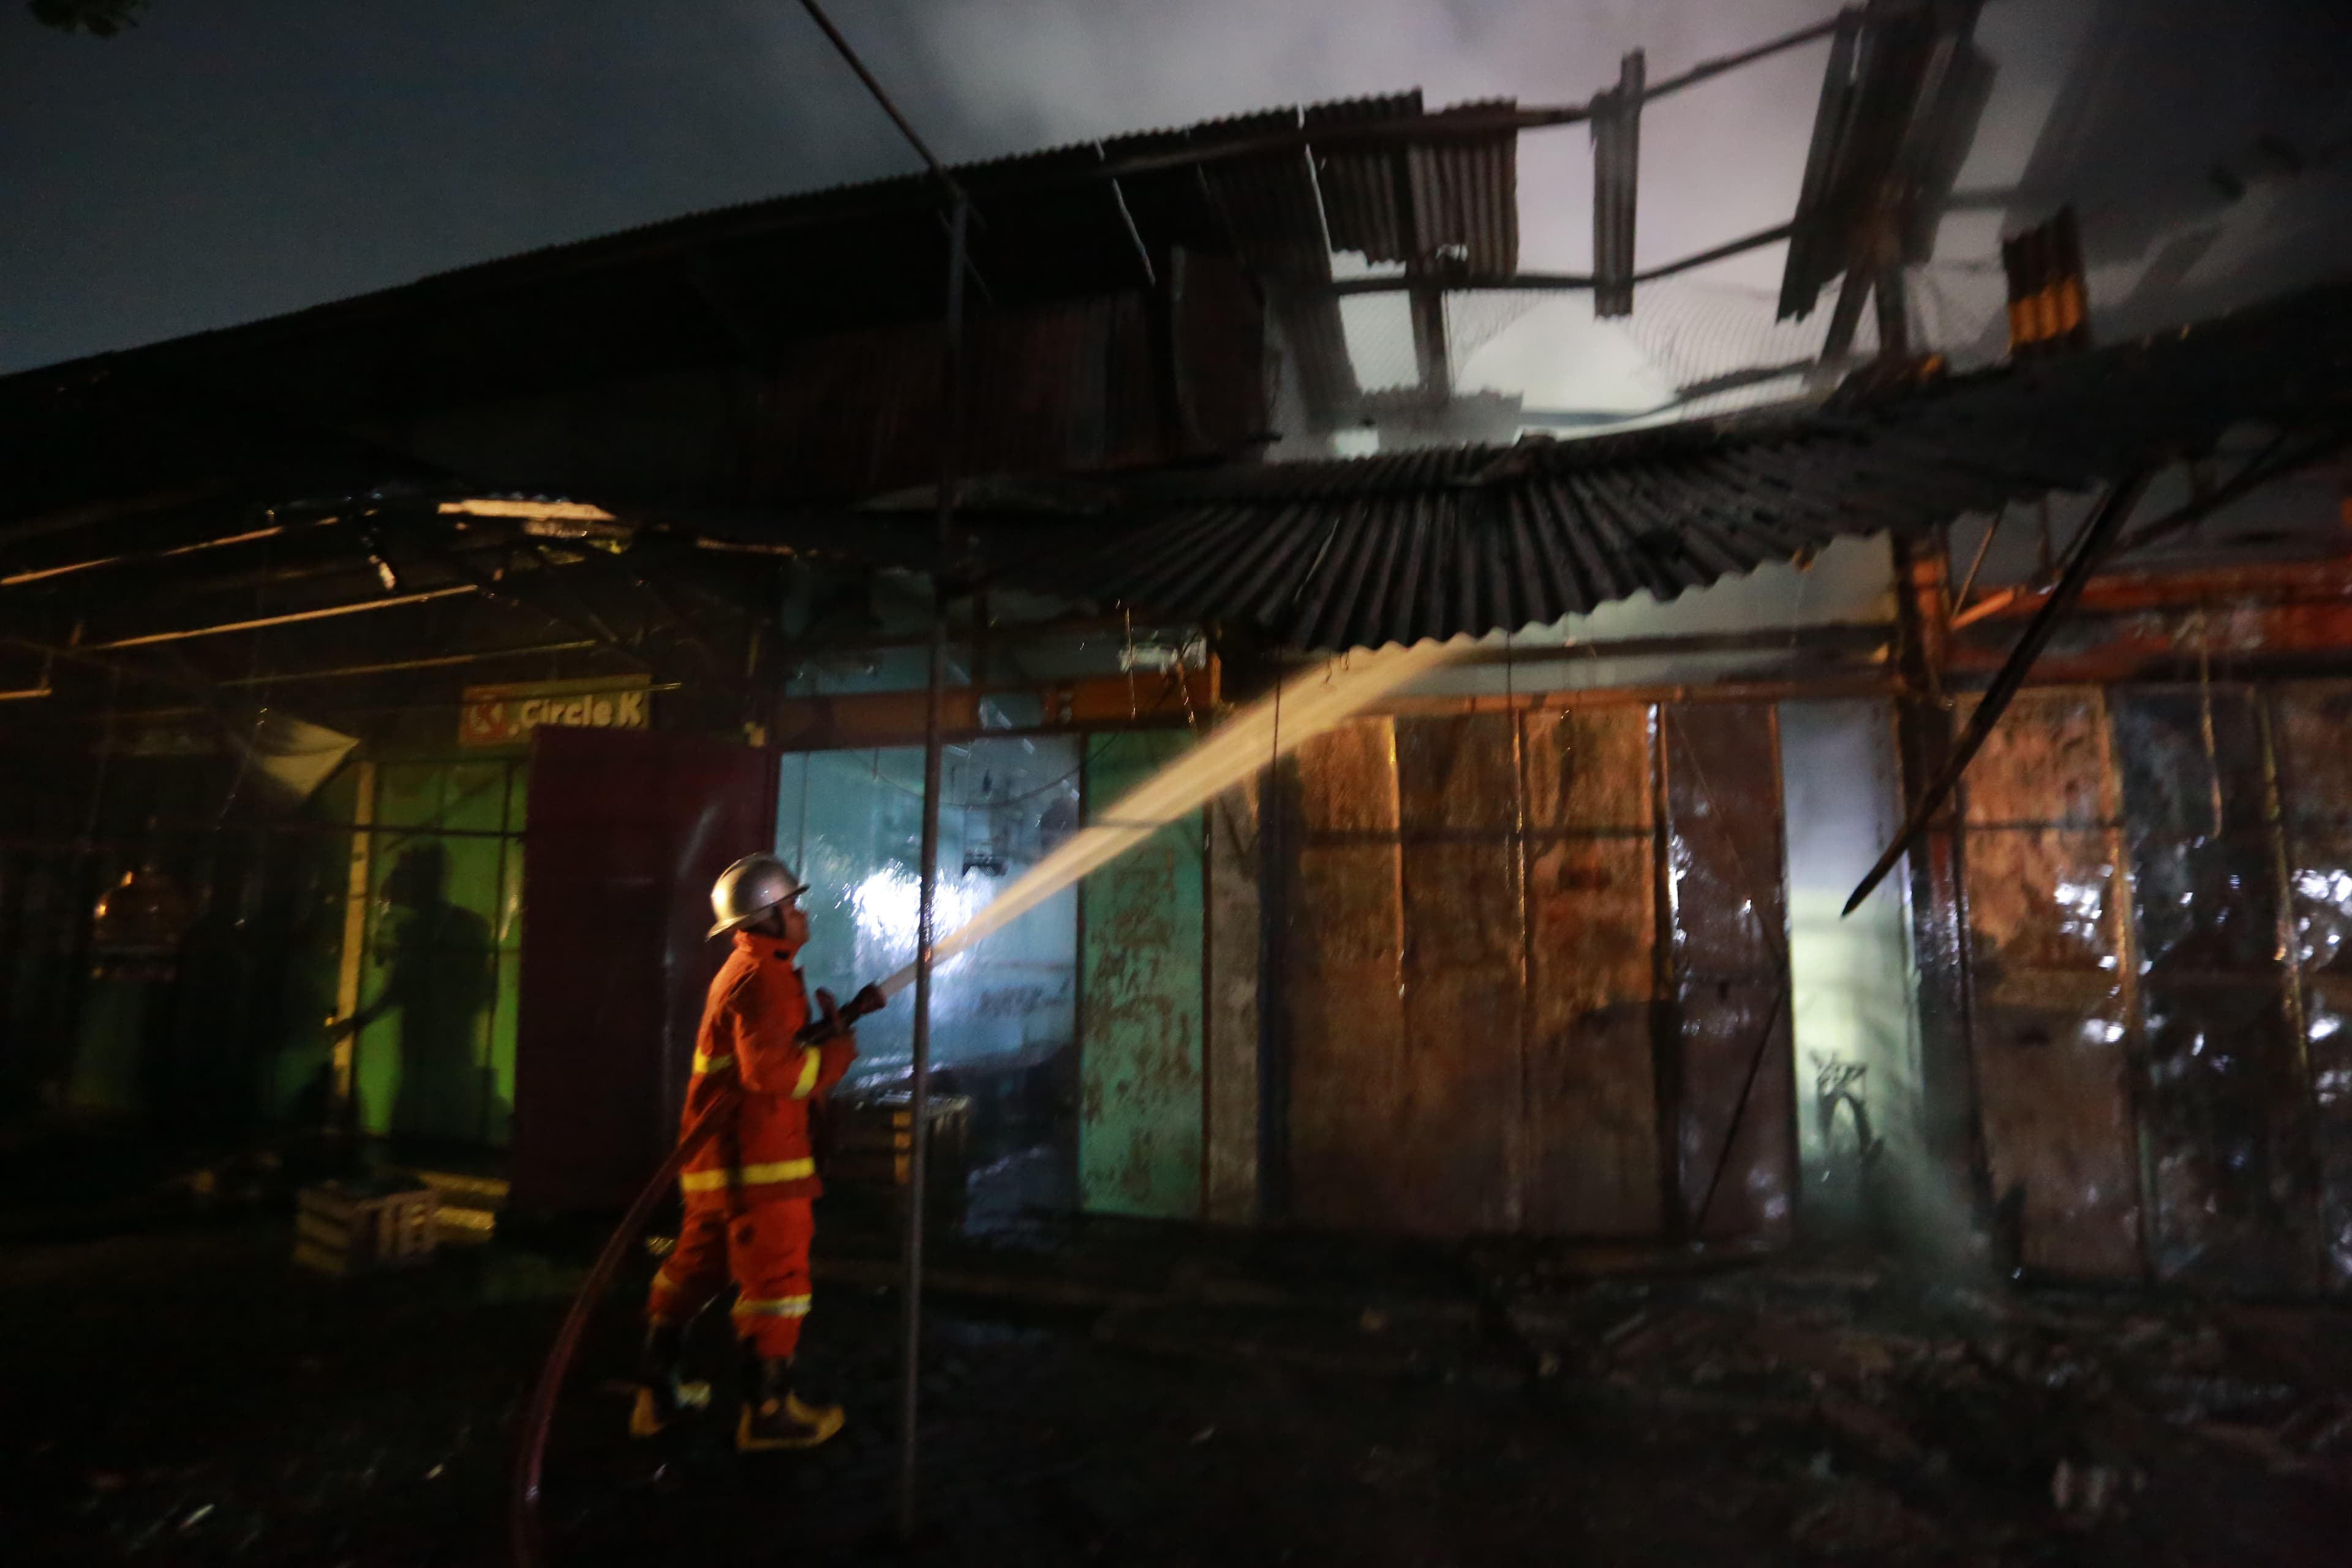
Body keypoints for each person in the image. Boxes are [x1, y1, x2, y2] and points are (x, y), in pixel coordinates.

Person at [631, 853, 874, 1450]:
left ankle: (657, 1394)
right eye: (791, 905)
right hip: (760, 1165)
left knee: (696, 1269)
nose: (801, 911)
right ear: (765, 916)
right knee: (778, 1283)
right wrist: (838, 1054)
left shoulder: (750, 969)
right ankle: (767, 1413)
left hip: (724, 1162)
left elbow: (756, 1059)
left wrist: (821, 1031)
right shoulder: (762, 978)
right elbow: (773, 1073)